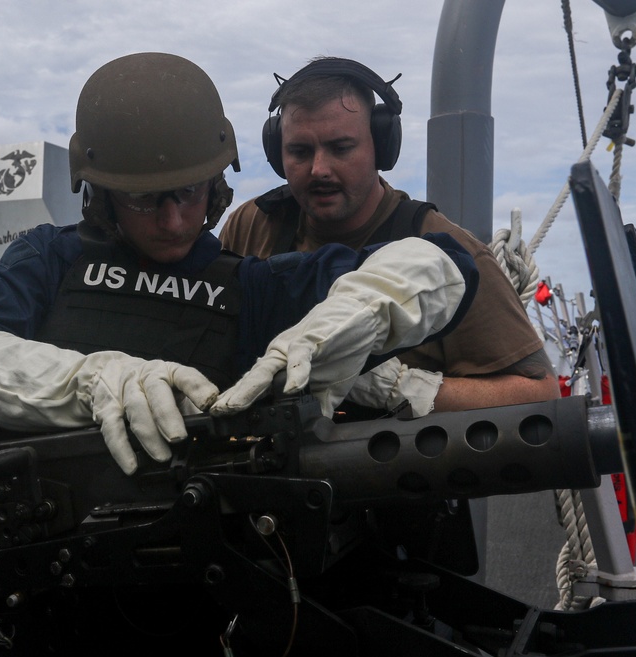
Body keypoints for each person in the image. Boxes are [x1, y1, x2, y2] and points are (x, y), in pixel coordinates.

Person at [0, 52, 477, 657]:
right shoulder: (48, 261)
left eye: (189, 192)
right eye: (145, 201)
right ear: (100, 194)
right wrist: (90, 379)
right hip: (16, 611)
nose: (173, 218)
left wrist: (369, 306)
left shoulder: (255, 289)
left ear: (217, 185)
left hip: (176, 617)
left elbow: (446, 262)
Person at [220, 56, 560, 417]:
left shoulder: (450, 255)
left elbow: (542, 393)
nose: (319, 169)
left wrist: (402, 388)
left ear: (380, 148)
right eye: (300, 152)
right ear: (277, 153)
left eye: (341, 148)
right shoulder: (252, 226)